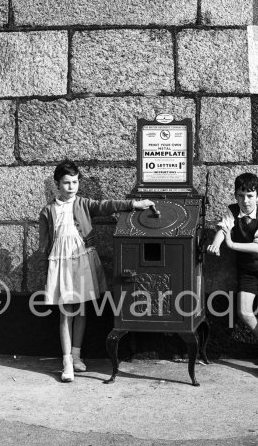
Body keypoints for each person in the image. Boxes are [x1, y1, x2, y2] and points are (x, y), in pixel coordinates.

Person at [38, 160, 154, 382]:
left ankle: (76, 355)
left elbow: (106, 205)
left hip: (82, 260)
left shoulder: (83, 204)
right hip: (61, 263)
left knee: (81, 309)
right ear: (56, 184)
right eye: (66, 183)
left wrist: (134, 205)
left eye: (75, 182)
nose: (71, 187)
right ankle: (66, 362)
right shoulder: (48, 211)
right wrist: (48, 272)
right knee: (66, 312)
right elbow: (44, 245)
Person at [207, 172, 258, 379]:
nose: (245, 201)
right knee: (244, 311)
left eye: (250, 195)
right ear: (235, 195)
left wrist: (231, 245)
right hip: (248, 269)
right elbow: (224, 228)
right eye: (241, 195)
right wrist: (216, 242)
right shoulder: (232, 211)